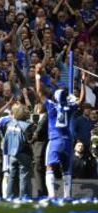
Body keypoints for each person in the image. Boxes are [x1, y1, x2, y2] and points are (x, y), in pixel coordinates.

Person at [35, 63, 86, 198]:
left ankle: (52, 195)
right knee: (66, 169)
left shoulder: (51, 107)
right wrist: (83, 83)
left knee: (49, 166)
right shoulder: (69, 107)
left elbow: (39, 92)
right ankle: (67, 195)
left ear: (55, 98)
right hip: (68, 140)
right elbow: (81, 101)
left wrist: (37, 75)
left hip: (55, 139)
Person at [4, 104, 34, 198]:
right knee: (24, 176)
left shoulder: (9, 124)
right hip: (23, 153)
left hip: (12, 154)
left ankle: (10, 196)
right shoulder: (27, 126)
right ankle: (24, 197)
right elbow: (30, 140)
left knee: (12, 176)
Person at [31, 103, 48, 197]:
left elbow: (37, 133)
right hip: (39, 147)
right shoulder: (39, 118)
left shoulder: (45, 118)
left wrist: (29, 140)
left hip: (40, 147)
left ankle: (41, 193)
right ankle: (42, 192)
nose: (36, 107)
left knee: (38, 169)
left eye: (38, 106)